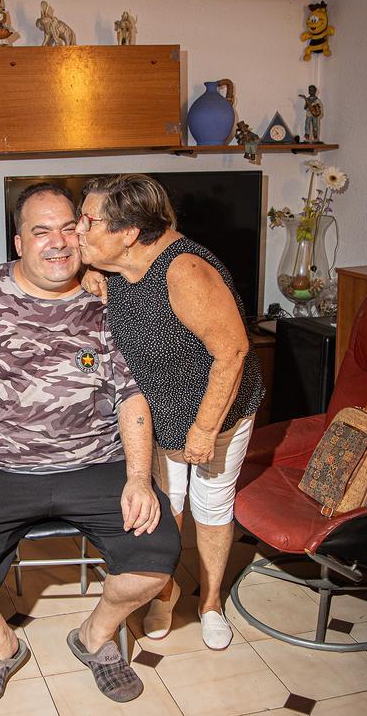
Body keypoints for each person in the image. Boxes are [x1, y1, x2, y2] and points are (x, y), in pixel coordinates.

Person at [0, 182, 180, 713]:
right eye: (41, 231)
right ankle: (1, 646)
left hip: (93, 461)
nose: (59, 242)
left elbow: (133, 397)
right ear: (18, 242)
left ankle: (95, 636)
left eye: (70, 228)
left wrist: (139, 479)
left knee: (157, 554)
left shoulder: (107, 306)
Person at [77, 174, 264, 651]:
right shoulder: (120, 266)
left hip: (216, 411)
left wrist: (205, 430)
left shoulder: (182, 271)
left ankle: (211, 602)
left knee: (211, 506)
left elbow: (233, 353)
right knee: (165, 506)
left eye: (88, 221)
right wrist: (88, 271)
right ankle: (165, 591)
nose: (79, 229)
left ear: (128, 234)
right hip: (158, 414)